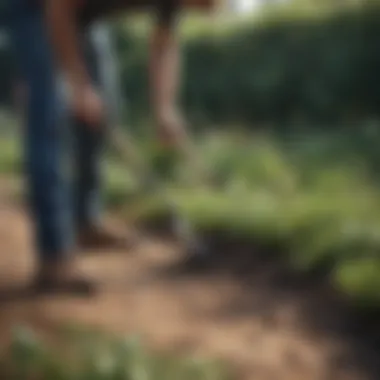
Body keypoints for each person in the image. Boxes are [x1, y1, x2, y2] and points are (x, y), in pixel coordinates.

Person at [8, 0, 186, 294]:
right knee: (49, 114)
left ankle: (85, 219)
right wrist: (77, 84)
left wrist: (165, 109)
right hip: (36, 6)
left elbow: (165, 44)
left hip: (79, 12)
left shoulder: (175, 4)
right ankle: (54, 257)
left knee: (105, 102)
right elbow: (57, 9)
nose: (209, 9)